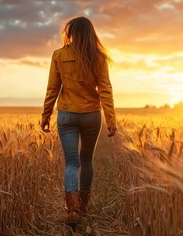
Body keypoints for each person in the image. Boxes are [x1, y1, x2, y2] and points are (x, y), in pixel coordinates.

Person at [40, 16, 117, 230]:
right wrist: (111, 119)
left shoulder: (59, 55)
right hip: (92, 114)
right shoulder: (99, 57)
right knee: (87, 159)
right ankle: (83, 207)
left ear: (71, 33)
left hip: (66, 115)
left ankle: (72, 209)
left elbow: (52, 88)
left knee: (72, 162)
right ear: (91, 33)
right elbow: (105, 89)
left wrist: (46, 114)